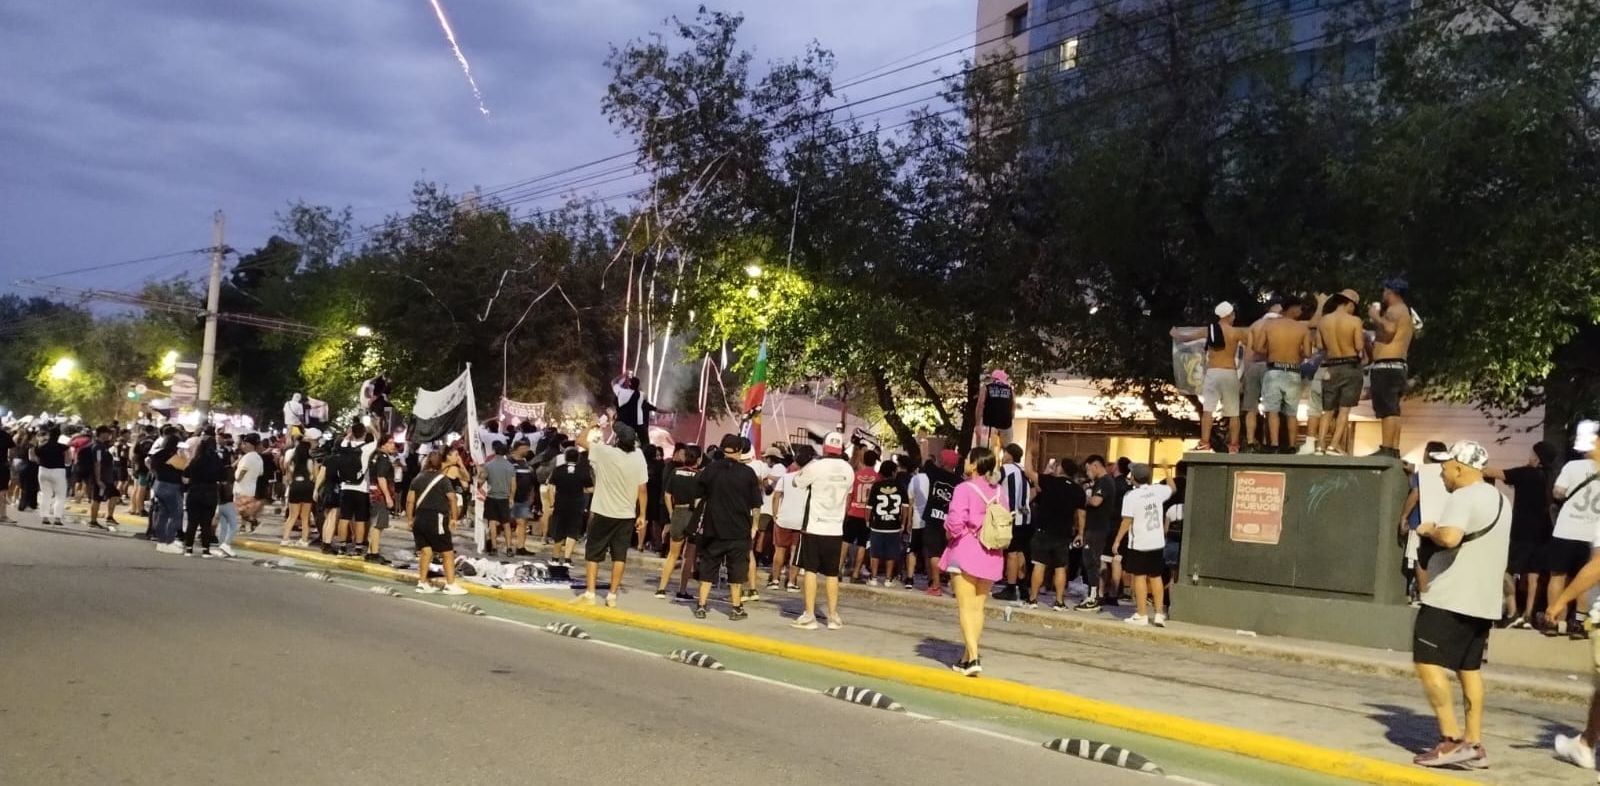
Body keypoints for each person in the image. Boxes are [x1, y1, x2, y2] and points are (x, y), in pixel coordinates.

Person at [1408, 440, 1508, 769]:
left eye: (1445, 467)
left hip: (1452, 596)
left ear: (1460, 468)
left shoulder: (1463, 497)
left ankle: (1450, 740)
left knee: (1426, 660)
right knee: (1469, 669)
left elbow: (1451, 538)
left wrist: (1429, 530)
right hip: (1483, 599)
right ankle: (1474, 743)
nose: (1441, 473)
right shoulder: (1501, 500)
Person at [942, 436, 1009, 677]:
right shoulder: (1000, 491)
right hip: (992, 553)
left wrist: (950, 532)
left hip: (966, 549)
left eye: (968, 460)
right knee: (978, 608)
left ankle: (973, 656)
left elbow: (955, 523)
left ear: (974, 465)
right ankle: (966, 657)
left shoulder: (964, 488)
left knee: (965, 606)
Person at [1483, 441, 1560, 629]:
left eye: (1532, 453)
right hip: (1544, 533)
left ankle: (1512, 612)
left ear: (1538, 457)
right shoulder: (1551, 477)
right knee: (1534, 575)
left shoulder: (1526, 473)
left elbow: (1493, 473)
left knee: (1507, 570)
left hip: (1522, 531)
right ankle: (1528, 615)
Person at [575, 423, 649, 607]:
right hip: (626, 514)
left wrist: (590, 426)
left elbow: (580, 441)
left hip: (603, 511)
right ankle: (612, 595)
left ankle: (590, 593)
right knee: (619, 556)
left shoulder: (604, 452)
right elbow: (642, 489)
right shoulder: (639, 456)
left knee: (593, 553)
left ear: (617, 440)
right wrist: (642, 515)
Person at [691, 434, 763, 620]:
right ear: (740, 451)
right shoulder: (748, 473)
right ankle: (736, 608)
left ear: (722, 450)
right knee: (736, 571)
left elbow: (698, 497)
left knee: (708, 568)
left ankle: (701, 605)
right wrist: (754, 526)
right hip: (739, 530)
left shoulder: (710, 469)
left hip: (713, 528)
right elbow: (756, 505)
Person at [791, 432, 855, 630]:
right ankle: (833, 616)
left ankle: (810, 615)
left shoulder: (816, 466)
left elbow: (797, 482)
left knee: (810, 571)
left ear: (825, 447)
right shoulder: (848, 469)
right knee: (832, 573)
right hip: (835, 527)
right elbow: (848, 494)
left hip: (814, 526)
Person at [1172, 302, 1248, 452]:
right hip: (1230, 372)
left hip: (1213, 372)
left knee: (1208, 410)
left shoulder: (1210, 330)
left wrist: (1175, 333)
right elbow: (1252, 343)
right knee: (1233, 413)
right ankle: (1234, 446)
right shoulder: (1236, 332)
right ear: (1229, 315)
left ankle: (1205, 443)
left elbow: (1186, 338)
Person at [1547, 425, 1600, 635]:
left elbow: (1558, 492)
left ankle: (1554, 621)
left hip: (1567, 529)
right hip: (1592, 532)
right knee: (1585, 578)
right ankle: (1579, 622)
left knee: (1557, 575)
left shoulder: (1572, 466)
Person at [1113, 464, 1176, 626]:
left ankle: (1142, 614)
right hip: (1157, 541)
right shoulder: (1158, 490)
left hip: (1140, 542)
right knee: (1156, 576)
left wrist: (1117, 540)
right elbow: (1172, 488)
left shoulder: (1131, 496)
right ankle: (1159, 614)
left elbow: (1127, 520)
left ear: (1133, 478)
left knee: (1139, 576)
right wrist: (1166, 470)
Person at [1255, 298, 1313, 453]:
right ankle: (1292, 446)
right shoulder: (1302, 329)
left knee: (1272, 410)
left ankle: (1274, 444)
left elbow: (1258, 347)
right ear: (1293, 309)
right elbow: (1308, 353)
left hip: (1274, 370)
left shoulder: (1269, 325)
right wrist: (1296, 353)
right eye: (1299, 309)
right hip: (1293, 371)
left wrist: (1273, 351)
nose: (1301, 312)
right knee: (1292, 412)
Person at [1313, 290, 1367, 455]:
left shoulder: (1323, 321)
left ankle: (1320, 445)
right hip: (1351, 367)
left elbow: (1319, 346)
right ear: (1349, 303)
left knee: (1327, 410)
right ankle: (1333, 445)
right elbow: (1359, 346)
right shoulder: (1355, 321)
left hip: (1331, 367)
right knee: (1344, 410)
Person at [1028, 458, 1086, 610]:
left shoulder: (1049, 481)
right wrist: (1080, 533)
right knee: (1060, 567)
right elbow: (1081, 514)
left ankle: (1033, 599)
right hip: (1064, 533)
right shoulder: (1078, 490)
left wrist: (1030, 452)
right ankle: (1059, 601)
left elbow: (1029, 472)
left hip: (1044, 530)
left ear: (1061, 469)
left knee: (1039, 565)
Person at [1368, 279, 1416, 459]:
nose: (1382, 294)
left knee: (1387, 409)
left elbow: (1389, 330)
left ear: (1390, 292)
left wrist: (1374, 315)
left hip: (1387, 366)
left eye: (1384, 290)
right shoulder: (1405, 311)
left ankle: (1387, 448)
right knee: (1393, 409)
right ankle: (1393, 449)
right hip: (1397, 366)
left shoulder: (1394, 310)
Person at [408, 451, 467, 596]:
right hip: (437, 518)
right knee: (447, 552)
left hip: (419, 517)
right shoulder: (443, 479)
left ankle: (422, 582)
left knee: (426, 551)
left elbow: (410, 500)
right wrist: (454, 518)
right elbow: (452, 498)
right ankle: (450, 584)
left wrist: (409, 519)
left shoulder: (417, 478)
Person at [656, 445, 704, 599]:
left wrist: (671, 513)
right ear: (698, 459)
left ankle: (661, 589)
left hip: (678, 512)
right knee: (688, 556)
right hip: (693, 515)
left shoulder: (675, 472)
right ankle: (682, 590)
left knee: (672, 554)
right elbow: (699, 500)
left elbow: (667, 495)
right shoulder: (700, 476)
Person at [1075, 455, 1118, 610]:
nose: (1088, 473)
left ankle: (1093, 597)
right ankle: (1094, 594)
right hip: (1095, 528)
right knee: (1091, 562)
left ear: (1095, 466)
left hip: (1097, 529)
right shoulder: (1101, 482)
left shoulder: (1105, 481)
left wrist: (1083, 497)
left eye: (1088, 469)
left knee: (1092, 562)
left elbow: (1096, 501)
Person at [770, 445, 812, 593]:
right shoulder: (810, 481)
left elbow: (776, 496)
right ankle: (791, 582)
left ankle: (775, 580)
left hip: (783, 519)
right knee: (795, 553)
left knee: (779, 550)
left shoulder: (785, 477)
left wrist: (775, 514)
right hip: (801, 521)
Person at [919, 449, 961, 597]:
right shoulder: (959, 481)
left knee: (934, 553)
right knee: (952, 555)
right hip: (950, 521)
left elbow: (926, 460)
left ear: (943, 461)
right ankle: (955, 589)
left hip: (933, 518)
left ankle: (936, 586)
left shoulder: (934, 472)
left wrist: (925, 446)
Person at [181, 433, 227, 558]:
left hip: (195, 492)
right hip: (210, 493)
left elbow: (185, 477)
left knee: (192, 522)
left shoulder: (195, 460)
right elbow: (223, 478)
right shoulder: (217, 461)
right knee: (206, 523)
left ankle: (189, 549)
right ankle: (206, 550)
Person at [547, 446, 593, 568]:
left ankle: (555, 558)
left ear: (565, 457)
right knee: (573, 531)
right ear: (578, 458)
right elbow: (590, 489)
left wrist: (551, 503)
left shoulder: (558, 470)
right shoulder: (583, 471)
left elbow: (550, 488)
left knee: (559, 531)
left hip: (560, 504)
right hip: (576, 504)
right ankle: (567, 559)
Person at [865, 459, 908, 587]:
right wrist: (903, 523)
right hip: (894, 525)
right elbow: (905, 507)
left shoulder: (876, 486)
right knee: (891, 553)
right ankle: (888, 579)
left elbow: (869, 507)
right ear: (893, 472)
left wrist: (867, 521)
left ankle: (873, 577)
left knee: (875, 552)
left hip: (877, 525)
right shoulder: (900, 487)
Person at [843, 448, 880, 581]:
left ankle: (838, 570)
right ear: (875, 462)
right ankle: (855, 573)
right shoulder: (877, 478)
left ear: (863, 460)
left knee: (846, 541)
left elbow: (849, 495)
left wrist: (846, 511)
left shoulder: (856, 475)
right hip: (867, 516)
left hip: (853, 511)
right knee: (862, 544)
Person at [364, 433, 398, 563]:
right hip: (379, 495)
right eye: (390, 443)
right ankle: (374, 553)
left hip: (373, 492)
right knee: (378, 524)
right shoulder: (383, 458)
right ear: (383, 444)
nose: (393, 445)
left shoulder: (375, 455)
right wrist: (388, 497)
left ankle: (370, 551)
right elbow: (381, 477)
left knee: (375, 524)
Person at [281, 429, 319, 546]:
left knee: (292, 515)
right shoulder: (311, 460)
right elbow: (315, 476)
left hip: (295, 486)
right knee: (305, 516)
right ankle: (304, 540)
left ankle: (285, 539)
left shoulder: (292, 461)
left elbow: (288, 476)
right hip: (307, 487)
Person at [479, 440, 515, 556]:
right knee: (506, 523)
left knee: (492, 523)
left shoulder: (488, 465)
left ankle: (494, 548)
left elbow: (480, 481)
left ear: (494, 451)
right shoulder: (510, 466)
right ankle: (509, 548)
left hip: (492, 497)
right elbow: (513, 484)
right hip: (504, 498)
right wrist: (511, 497)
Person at [87, 425, 121, 531]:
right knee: (97, 498)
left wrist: (114, 432)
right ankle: (93, 521)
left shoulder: (103, 445)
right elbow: (97, 463)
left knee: (115, 494)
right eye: (107, 433)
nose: (109, 435)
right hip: (101, 478)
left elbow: (113, 441)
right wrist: (98, 480)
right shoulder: (98, 447)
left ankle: (109, 517)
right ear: (102, 433)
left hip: (107, 478)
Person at [33, 426, 68, 527]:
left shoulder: (41, 446)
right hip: (58, 471)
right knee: (60, 495)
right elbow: (68, 461)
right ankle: (57, 518)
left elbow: (36, 457)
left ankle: (45, 517)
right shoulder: (63, 447)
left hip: (43, 470)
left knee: (45, 494)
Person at [509, 440, 539, 557]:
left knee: (522, 522)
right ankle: (492, 542)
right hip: (509, 497)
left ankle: (520, 547)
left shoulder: (526, 463)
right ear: (518, 448)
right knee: (501, 523)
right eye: (525, 448)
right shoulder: (509, 462)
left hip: (523, 498)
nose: (527, 450)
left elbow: (531, 481)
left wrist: (531, 495)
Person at [0, 425, 13, 523]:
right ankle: (3, 515)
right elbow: (11, 449)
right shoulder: (5, 435)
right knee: (2, 491)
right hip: (2, 465)